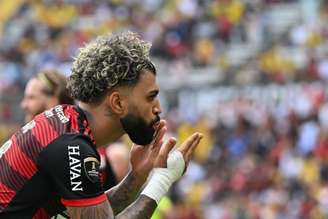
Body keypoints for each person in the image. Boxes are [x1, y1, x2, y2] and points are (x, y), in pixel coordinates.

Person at [0, 31, 203, 219]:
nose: (158, 108)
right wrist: (162, 179)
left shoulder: (67, 125)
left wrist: (137, 176)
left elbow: (98, 213)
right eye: (150, 98)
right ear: (118, 103)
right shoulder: (71, 145)